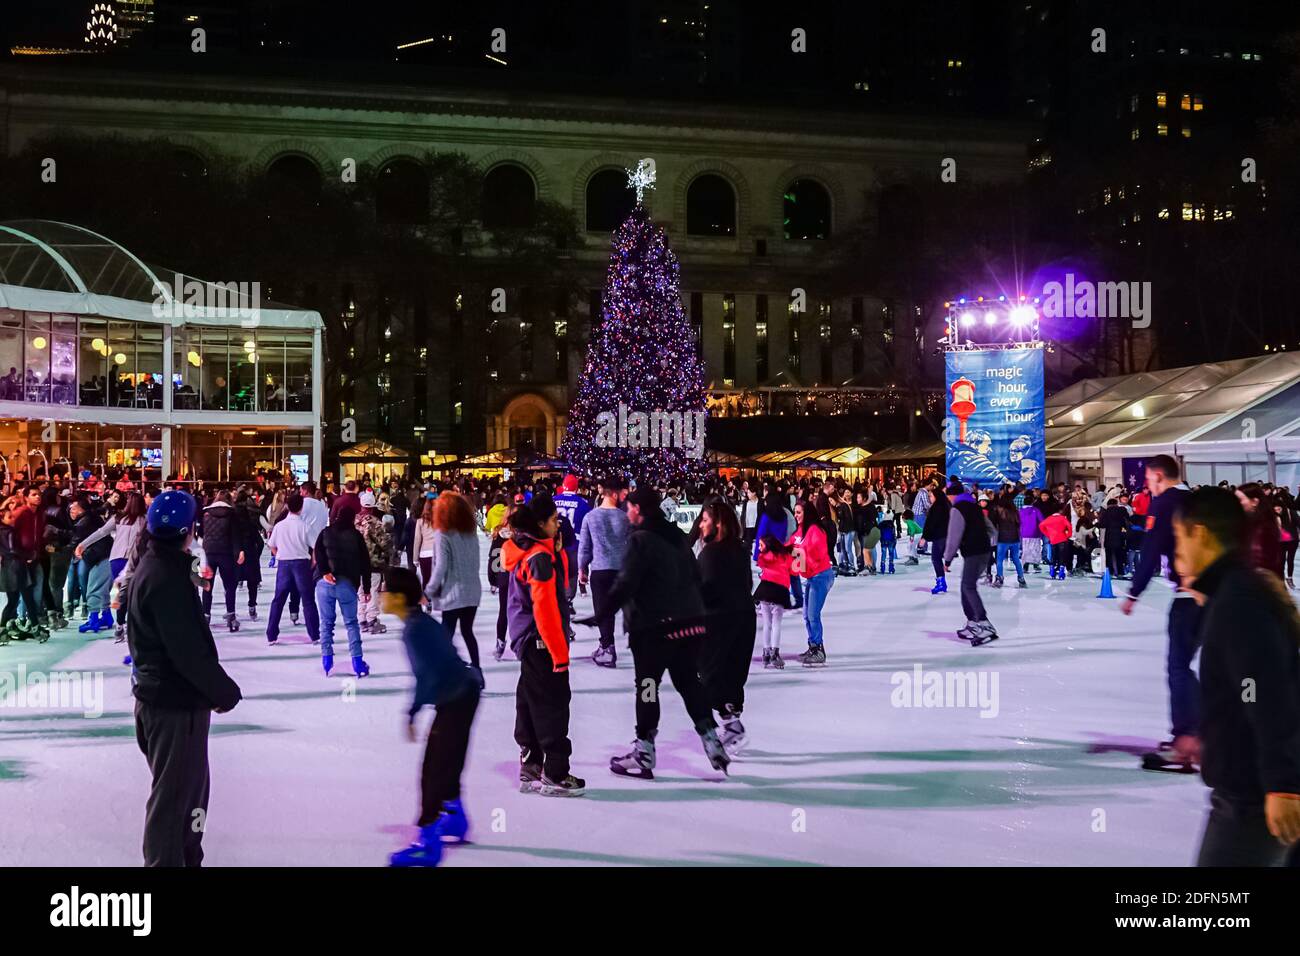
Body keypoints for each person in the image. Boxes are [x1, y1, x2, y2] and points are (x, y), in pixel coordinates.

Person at [1172, 487, 1300, 866]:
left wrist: (1282, 785)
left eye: (1179, 537)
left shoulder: (1237, 602)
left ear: (1200, 533)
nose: (1176, 552)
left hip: (1253, 797)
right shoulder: (1235, 592)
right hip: (1252, 786)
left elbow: (1259, 692)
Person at [127, 490, 242, 866]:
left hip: (168, 700)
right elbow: (185, 648)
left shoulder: (161, 565)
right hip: (173, 705)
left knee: (189, 798)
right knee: (175, 800)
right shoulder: (164, 577)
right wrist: (222, 690)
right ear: (189, 529)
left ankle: (187, 857)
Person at [599, 487, 730, 780]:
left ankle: (644, 747)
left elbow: (627, 582)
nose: (627, 512)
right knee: (688, 683)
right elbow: (697, 577)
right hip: (690, 625)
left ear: (638, 509)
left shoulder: (641, 539)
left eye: (630, 507)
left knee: (647, 685)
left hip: (654, 628)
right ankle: (711, 738)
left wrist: (602, 612)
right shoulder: (677, 538)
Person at [386, 567, 481, 868]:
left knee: (433, 768)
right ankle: (455, 819)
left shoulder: (415, 629)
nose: (380, 595)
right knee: (447, 760)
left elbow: (426, 676)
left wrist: (413, 714)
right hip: (462, 693)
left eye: (384, 590)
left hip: (457, 697)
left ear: (399, 598)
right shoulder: (420, 622)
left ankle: (428, 841)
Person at [501, 496, 585, 796]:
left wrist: (556, 551)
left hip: (526, 637)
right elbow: (546, 607)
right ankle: (556, 773)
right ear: (540, 524)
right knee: (553, 702)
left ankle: (531, 761)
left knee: (529, 698)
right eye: (553, 520)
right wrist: (559, 653)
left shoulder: (528, 551)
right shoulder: (538, 558)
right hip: (540, 640)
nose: (557, 524)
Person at [1121, 454, 1199, 773]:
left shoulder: (1165, 502)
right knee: (1208, 666)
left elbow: (1151, 550)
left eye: (1148, 480)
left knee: (1178, 667)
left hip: (1190, 595)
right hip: (1216, 592)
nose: (1146, 486)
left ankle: (1186, 740)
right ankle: (1197, 734)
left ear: (1157, 476)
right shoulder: (1195, 500)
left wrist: (1133, 592)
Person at [695, 498, 758, 754]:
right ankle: (732, 724)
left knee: (709, 674)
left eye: (706, 520)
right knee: (731, 673)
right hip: (743, 617)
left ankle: (733, 726)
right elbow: (746, 584)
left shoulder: (711, 553)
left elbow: (705, 590)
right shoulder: (740, 550)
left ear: (718, 524)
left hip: (720, 620)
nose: (701, 525)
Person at [425, 491, 483, 684]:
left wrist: (429, 590)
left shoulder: (443, 534)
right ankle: (476, 669)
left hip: (453, 593)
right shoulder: (470, 533)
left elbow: (440, 566)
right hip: (473, 591)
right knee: (467, 631)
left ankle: (442, 674)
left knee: (446, 634)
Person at [577, 475, 632, 668]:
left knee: (603, 611)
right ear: (616, 494)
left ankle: (607, 648)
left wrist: (582, 569)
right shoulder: (625, 518)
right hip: (621, 569)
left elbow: (584, 547)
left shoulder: (591, 517)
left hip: (600, 570)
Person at [314, 504, 371, 678]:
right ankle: (357, 661)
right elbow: (365, 563)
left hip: (325, 584)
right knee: (351, 623)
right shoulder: (356, 536)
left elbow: (318, 553)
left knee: (326, 623)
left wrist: (325, 572)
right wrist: (366, 588)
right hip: (347, 584)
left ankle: (327, 659)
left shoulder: (325, 532)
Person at [943, 481, 998, 646]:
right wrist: (987, 543)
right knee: (966, 586)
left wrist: (947, 559)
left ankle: (984, 623)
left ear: (952, 495)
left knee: (968, 586)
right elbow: (992, 530)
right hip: (984, 551)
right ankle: (973, 623)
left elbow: (954, 536)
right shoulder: (975, 507)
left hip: (974, 552)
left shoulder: (957, 509)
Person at [264, 493, 320, 645]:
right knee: (308, 600)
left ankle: (271, 634)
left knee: (278, 599)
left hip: (284, 564)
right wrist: (313, 562)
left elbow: (272, 545)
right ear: (301, 508)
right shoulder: (305, 526)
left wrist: (279, 555)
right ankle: (314, 634)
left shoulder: (280, 526)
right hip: (301, 563)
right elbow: (316, 547)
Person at [790, 498, 833, 666]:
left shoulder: (815, 530)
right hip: (812, 577)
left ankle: (819, 650)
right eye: (795, 512)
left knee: (813, 614)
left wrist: (801, 555)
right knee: (807, 615)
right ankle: (813, 645)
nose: (796, 515)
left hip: (821, 576)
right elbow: (791, 545)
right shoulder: (800, 530)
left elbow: (818, 553)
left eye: (799, 512)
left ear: (806, 513)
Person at [198, 489, 246, 632]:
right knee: (229, 585)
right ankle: (231, 615)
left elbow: (200, 533)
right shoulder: (232, 514)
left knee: (207, 586)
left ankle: (206, 615)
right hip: (226, 553)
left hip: (208, 553)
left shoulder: (205, 513)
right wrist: (239, 552)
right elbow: (235, 535)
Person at [356, 490, 393, 635]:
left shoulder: (354, 521)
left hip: (356, 563)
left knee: (360, 591)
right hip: (373, 563)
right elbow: (384, 543)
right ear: (372, 506)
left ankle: (361, 619)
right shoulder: (375, 523)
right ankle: (372, 620)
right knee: (372, 590)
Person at [754, 533, 792, 669]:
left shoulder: (763, 557)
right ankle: (775, 653)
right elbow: (793, 570)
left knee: (767, 624)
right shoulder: (785, 556)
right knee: (776, 624)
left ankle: (765, 652)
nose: (759, 548)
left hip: (765, 590)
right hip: (780, 591)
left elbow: (761, 564)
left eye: (761, 545)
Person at [921, 483, 951, 593]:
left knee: (936, 559)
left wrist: (925, 537)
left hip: (939, 537)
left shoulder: (937, 508)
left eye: (931, 496)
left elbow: (931, 524)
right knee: (937, 559)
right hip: (944, 536)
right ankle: (941, 581)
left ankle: (941, 582)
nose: (929, 498)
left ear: (936, 496)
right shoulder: (945, 506)